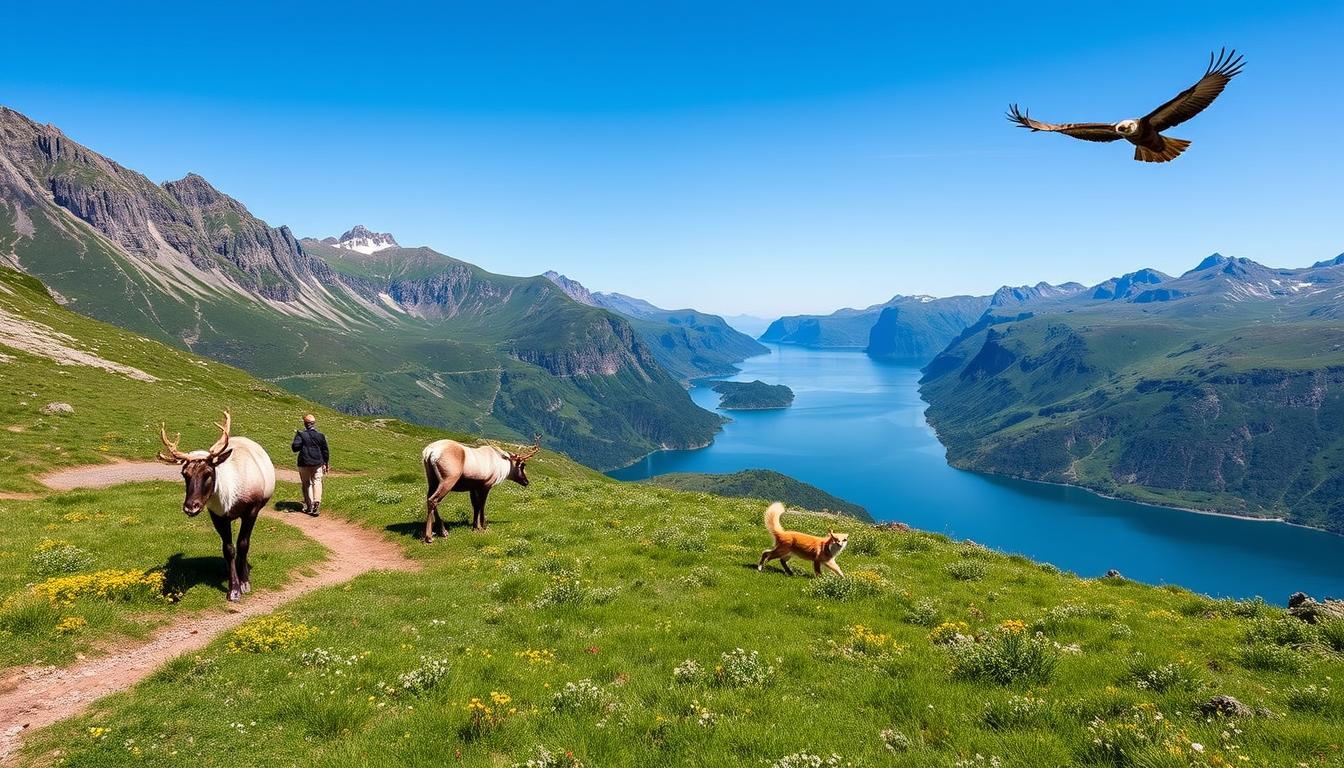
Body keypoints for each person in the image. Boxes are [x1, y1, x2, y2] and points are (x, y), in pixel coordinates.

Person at [291, 414, 330, 517]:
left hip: (303, 462)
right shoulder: (320, 436)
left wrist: (302, 443)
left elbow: (295, 448)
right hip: (317, 462)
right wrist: (326, 463)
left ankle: (309, 506)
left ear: (305, 424)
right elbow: (325, 451)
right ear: (314, 424)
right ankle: (317, 500)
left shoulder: (301, 434)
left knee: (306, 484)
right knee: (317, 481)